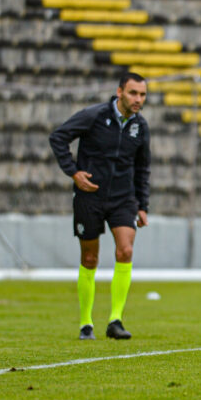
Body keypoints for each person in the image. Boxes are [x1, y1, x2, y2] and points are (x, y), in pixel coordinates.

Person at [49, 73, 151, 340]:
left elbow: (142, 168)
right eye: (133, 93)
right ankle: (86, 323)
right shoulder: (93, 116)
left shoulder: (140, 127)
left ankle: (115, 320)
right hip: (90, 197)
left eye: (142, 94)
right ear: (120, 92)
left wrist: (143, 205)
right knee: (90, 258)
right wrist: (73, 172)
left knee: (126, 249)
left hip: (123, 199)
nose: (138, 99)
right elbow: (58, 137)